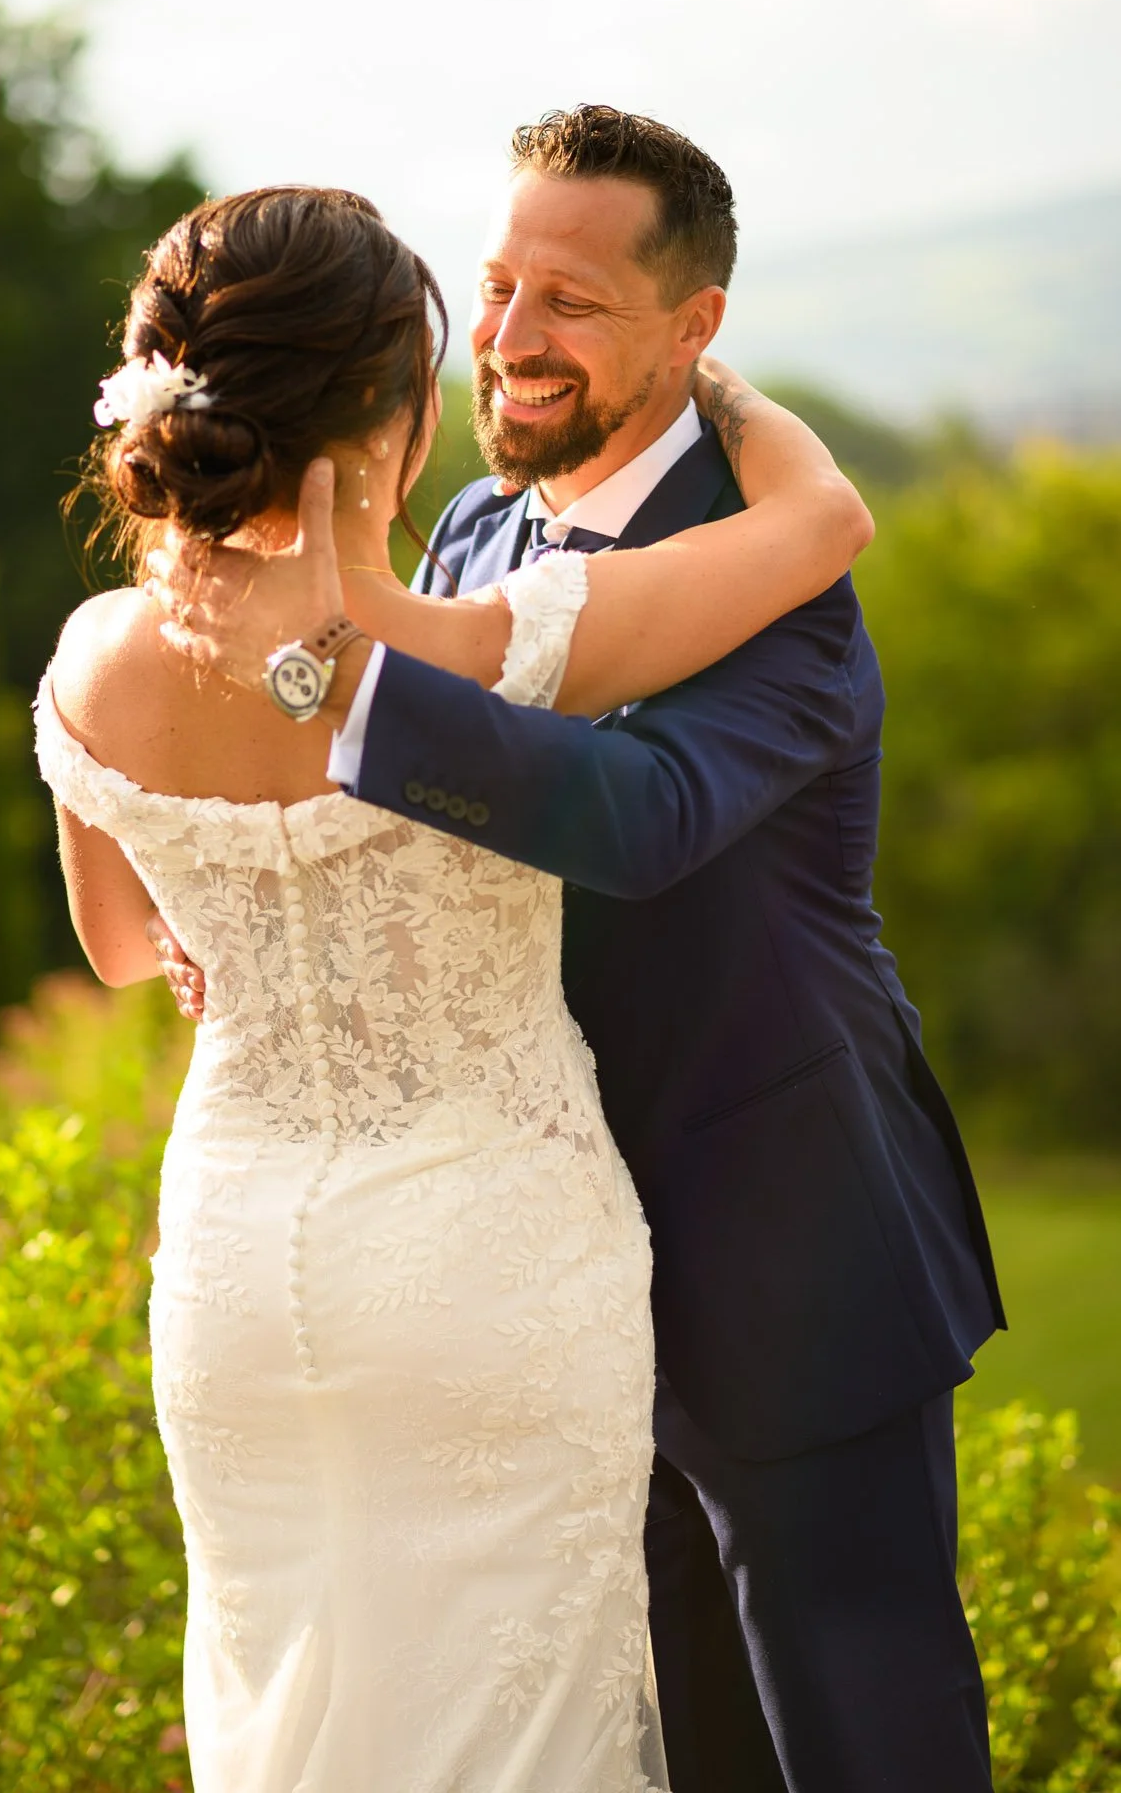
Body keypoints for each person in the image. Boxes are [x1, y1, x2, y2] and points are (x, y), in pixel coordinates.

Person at [147, 109, 1005, 1793]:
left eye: (577, 302)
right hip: (520, 1278)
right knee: (656, 1734)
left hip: (785, 1253)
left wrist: (351, 690)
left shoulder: (781, 594)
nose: (512, 341)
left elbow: (638, 816)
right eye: (496, 286)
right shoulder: (469, 531)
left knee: (854, 1727)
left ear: (696, 330)